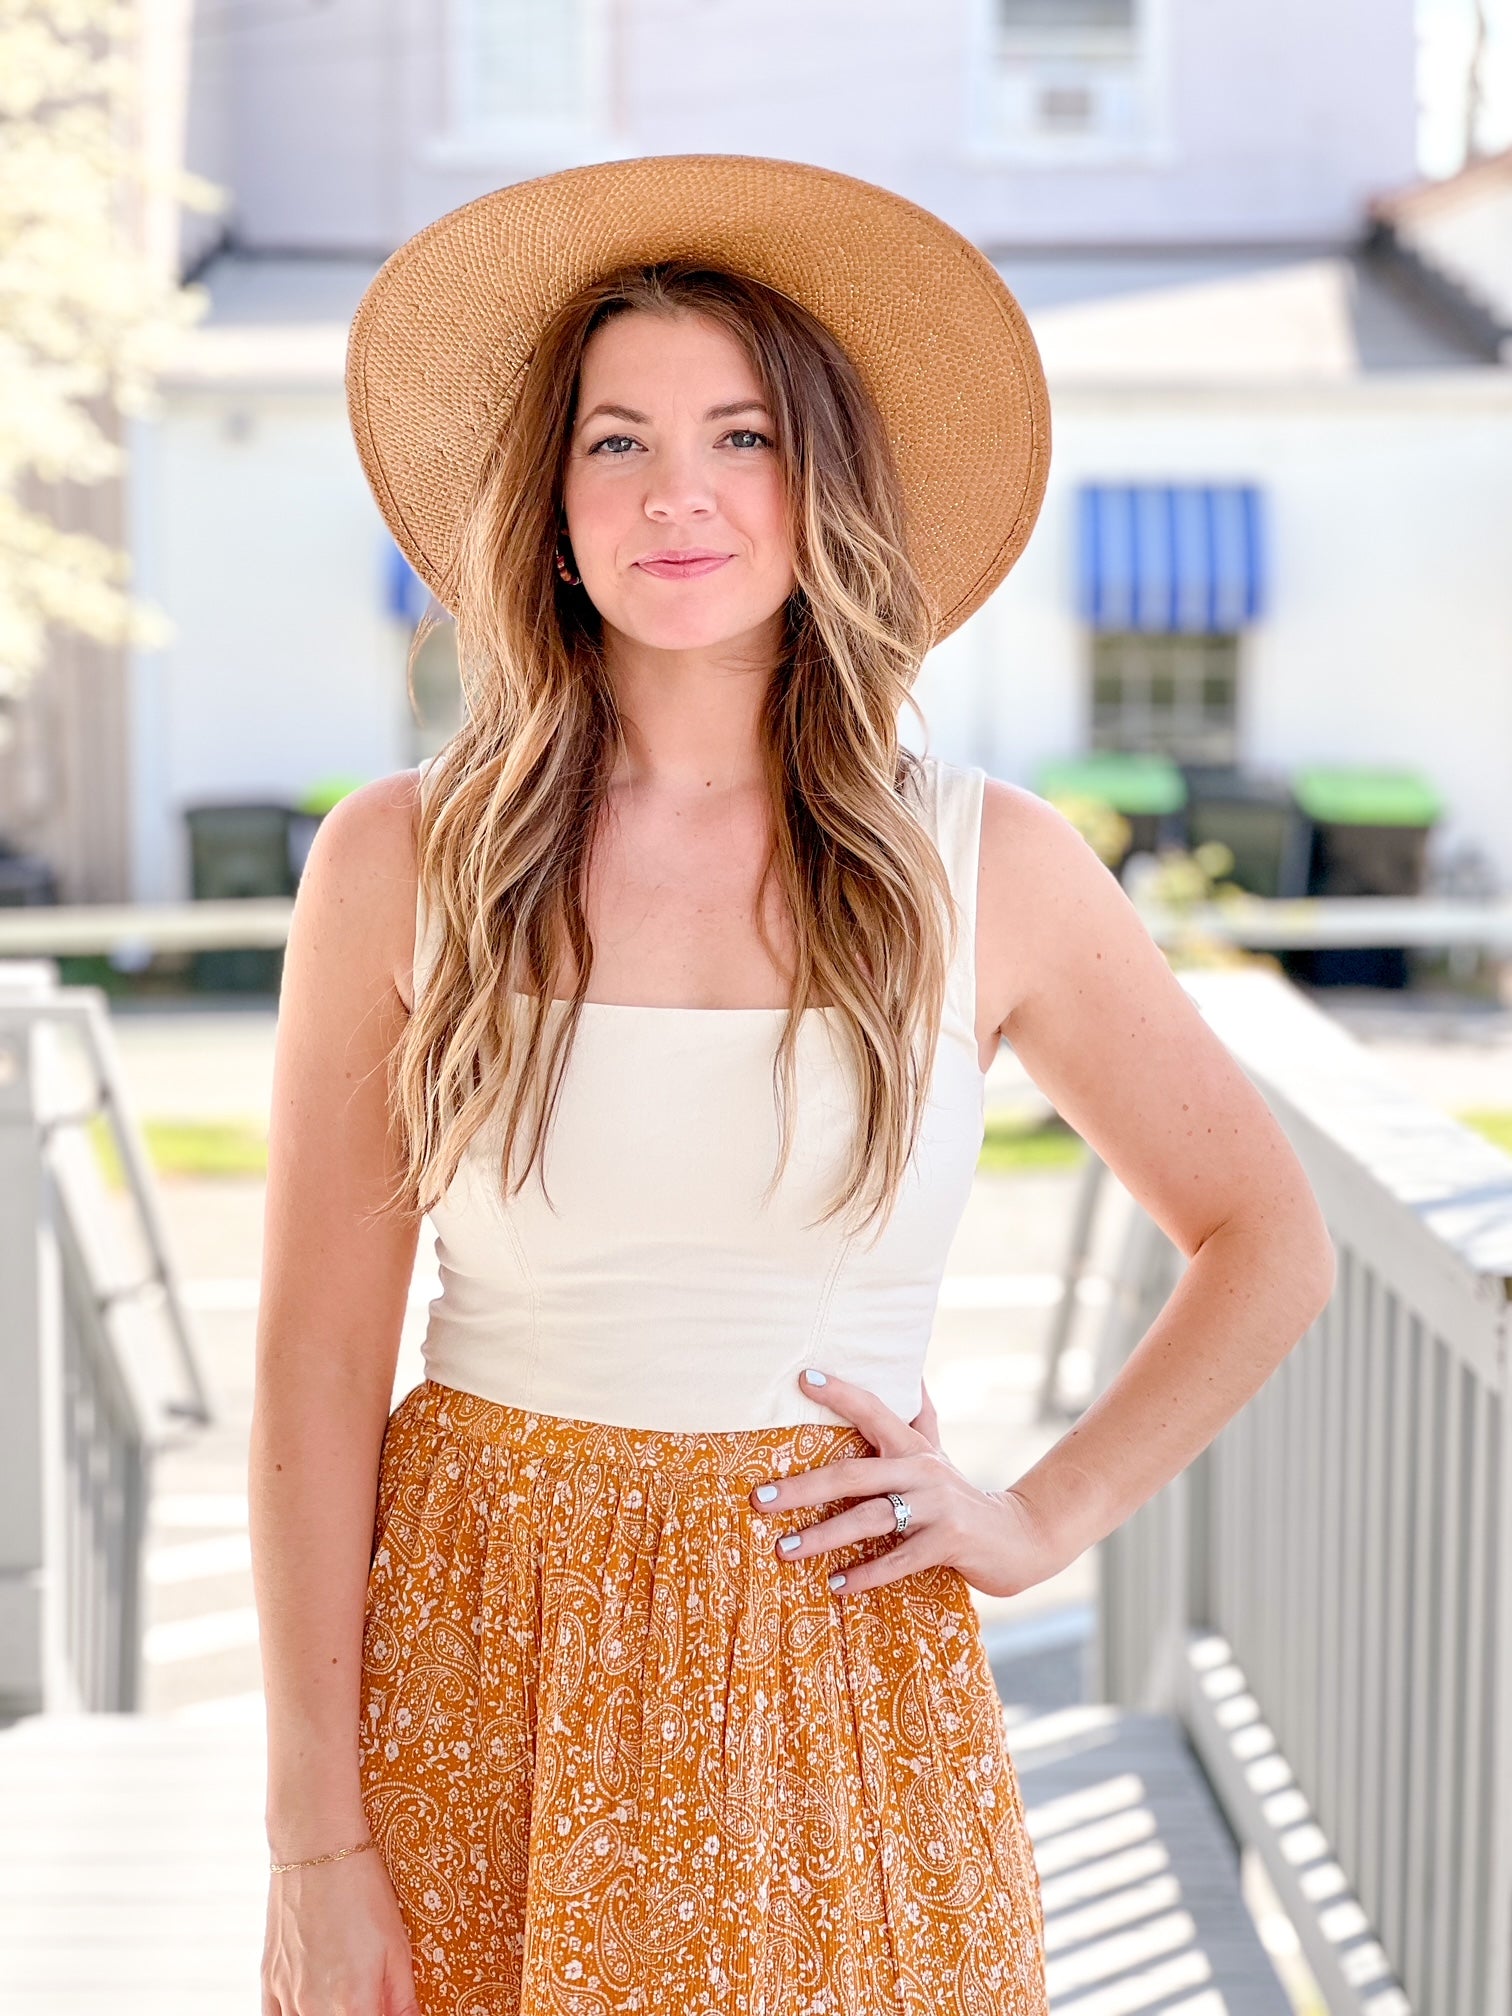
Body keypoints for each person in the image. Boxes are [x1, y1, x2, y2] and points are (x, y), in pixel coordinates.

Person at [250, 156, 1336, 2016]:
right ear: (552, 508)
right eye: (617, 442)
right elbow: (314, 1371)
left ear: (820, 484)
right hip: (475, 1666)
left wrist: (1039, 1519)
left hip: (832, 1681)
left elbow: (1267, 1237)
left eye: (741, 436)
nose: (677, 492)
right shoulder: (399, 863)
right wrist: (313, 1847)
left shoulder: (986, 863)